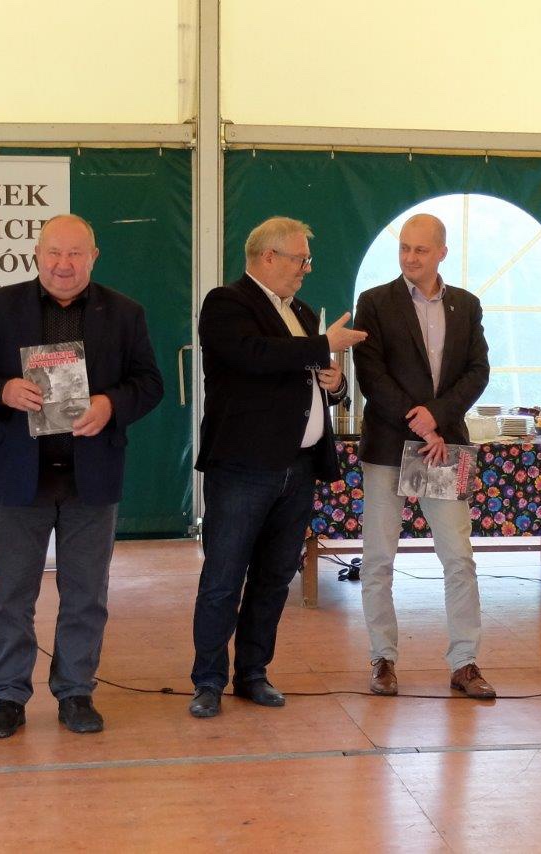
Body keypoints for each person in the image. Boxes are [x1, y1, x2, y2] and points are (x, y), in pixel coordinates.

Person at [0, 214, 163, 738]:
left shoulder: (125, 313)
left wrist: (111, 404)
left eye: (75, 254)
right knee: (11, 594)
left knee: (87, 594)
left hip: (92, 477)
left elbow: (149, 383)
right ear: (37, 254)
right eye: (54, 253)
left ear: (94, 256)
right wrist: (2, 391)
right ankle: (7, 696)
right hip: (20, 477)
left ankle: (75, 691)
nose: (63, 264)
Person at [188, 216, 365, 718]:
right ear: (268, 257)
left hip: (299, 467)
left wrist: (334, 385)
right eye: (300, 259)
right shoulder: (227, 303)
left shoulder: (302, 313)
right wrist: (323, 345)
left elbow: (308, 381)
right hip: (243, 469)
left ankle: (253, 673)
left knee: (273, 579)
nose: (306, 269)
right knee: (224, 578)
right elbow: (255, 356)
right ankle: (208, 680)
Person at [353, 213, 493, 699]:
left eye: (420, 249)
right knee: (377, 559)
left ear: (442, 253)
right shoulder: (374, 303)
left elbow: (478, 371)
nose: (410, 257)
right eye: (404, 248)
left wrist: (437, 416)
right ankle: (382, 658)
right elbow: (371, 375)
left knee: (459, 558)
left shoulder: (467, 305)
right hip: (389, 446)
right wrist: (419, 421)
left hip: (444, 447)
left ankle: (465, 663)